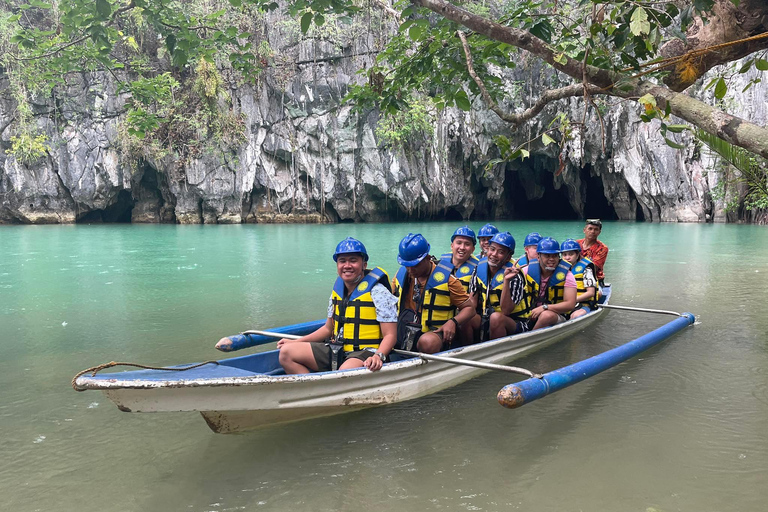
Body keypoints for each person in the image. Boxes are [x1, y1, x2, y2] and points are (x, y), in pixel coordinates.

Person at [277, 237, 397, 374]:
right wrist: (296, 342)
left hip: (366, 353)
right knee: (286, 353)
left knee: (345, 370)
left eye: (353, 260)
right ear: (337, 266)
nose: (347, 265)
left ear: (364, 264)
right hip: (338, 349)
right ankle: (314, 391)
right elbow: (328, 329)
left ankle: (326, 391)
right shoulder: (338, 291)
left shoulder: (379, 292)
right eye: (342, 261)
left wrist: (379, 355)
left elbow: (390, 335)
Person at [392, 233, 476, 354]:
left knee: (427, 342)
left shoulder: (448, 280)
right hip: (406, 328)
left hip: (434, 332)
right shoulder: (400, 276)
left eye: (415, 265)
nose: (410, 270)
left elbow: (470, 309)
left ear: (428, 258)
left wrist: (453, 322)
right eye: (407, 265)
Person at [470, 232, 529, 340]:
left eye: (501, 252)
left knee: (496, 318)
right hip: (486, 318)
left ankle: (495, 352)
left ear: (508, 257)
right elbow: (472, 303)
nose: (494, 254)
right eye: (492, 249)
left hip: (514, 322)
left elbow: (506, 311)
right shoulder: (479, 268)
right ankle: (466, 350)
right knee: (467, 317)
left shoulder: (516, 275)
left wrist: (506, 280)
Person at [513, 237, 577, 331]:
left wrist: (545, 307)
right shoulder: (526, 271)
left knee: (546, 315)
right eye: (547, 256)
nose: (552, 259)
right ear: (538, 257)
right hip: (530, 313)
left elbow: (570, 304)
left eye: (555, 256)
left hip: (555, 315)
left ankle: (530, 339)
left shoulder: (567, 275)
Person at [439, 226, 480, 343]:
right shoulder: (439, 264)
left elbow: (472, 304)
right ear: (452, 245)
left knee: (465, 319)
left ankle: (467, 349)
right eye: (459, 243)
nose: (462, 247)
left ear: (473, 249)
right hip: (445, 308)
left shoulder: (478, 268)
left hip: (470, 313)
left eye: (467, 244)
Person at [560, 238, 600, 319]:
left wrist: (572, 301)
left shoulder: (586, 269)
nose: (567, 257)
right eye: (564, 255)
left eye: (570, 254)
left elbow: (590, 293)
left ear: (577, 254)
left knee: (575, 315)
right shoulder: (560, 269)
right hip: (565, 303)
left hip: (583, 304)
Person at [577, 219, 608, 284]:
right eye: (590, 229)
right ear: (584, 230)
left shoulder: (602, 248)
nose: (592, 232)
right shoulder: (576, 243)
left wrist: (578, 257)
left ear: (599, 232)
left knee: (598, 293)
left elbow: (593, 268)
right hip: (575, 276)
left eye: (596, 229)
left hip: (595, 279)